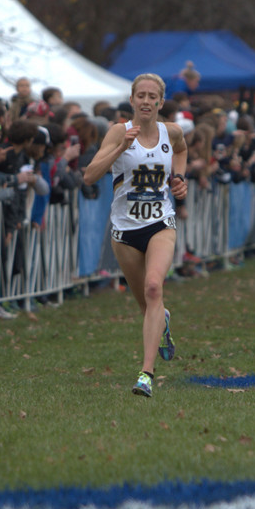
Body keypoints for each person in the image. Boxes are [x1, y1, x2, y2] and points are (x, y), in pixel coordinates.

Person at [83, 73, 188, 398]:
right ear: (131, 100)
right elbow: (89, 176)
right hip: (124, 231)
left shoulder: (171, 132)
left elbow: (181, 150)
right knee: (147, 305)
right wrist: (120, 149)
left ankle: (146, 373)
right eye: (139, 95)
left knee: (154, 288)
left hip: (160, 224)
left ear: (159, 101)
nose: (145, 100)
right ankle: (163, 322)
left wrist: (179, 178)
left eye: (151, 96)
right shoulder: (118, 131)